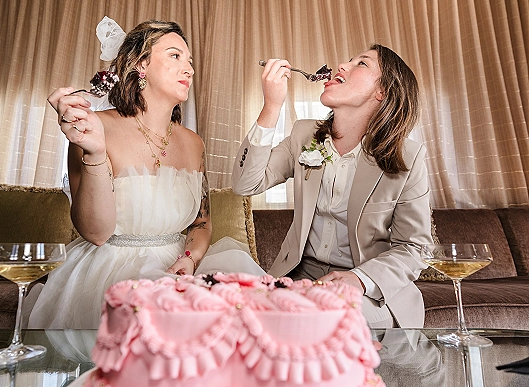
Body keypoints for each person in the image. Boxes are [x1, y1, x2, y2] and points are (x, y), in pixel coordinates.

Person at [27, 20, 265, 329]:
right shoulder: (92, 128)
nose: (190, 69)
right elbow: (96, 233)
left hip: (181, 269)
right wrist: (95, 152)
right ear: (141, 64)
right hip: (107, 272)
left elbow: (202, 223)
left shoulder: (194, 144)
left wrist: (189, 259)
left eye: (190, 61)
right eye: (175, 56)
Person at [232, 44, 433, 328]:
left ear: (382, 92)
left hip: (367, 290)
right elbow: (245, 184)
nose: (343, 66)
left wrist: (358, 280)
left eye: (361, 64)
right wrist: (271, 107)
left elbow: (414, 247)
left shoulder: (409, 158)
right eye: (348, 60)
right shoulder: (303, 134)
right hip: (296, 278)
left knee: (324, 319)